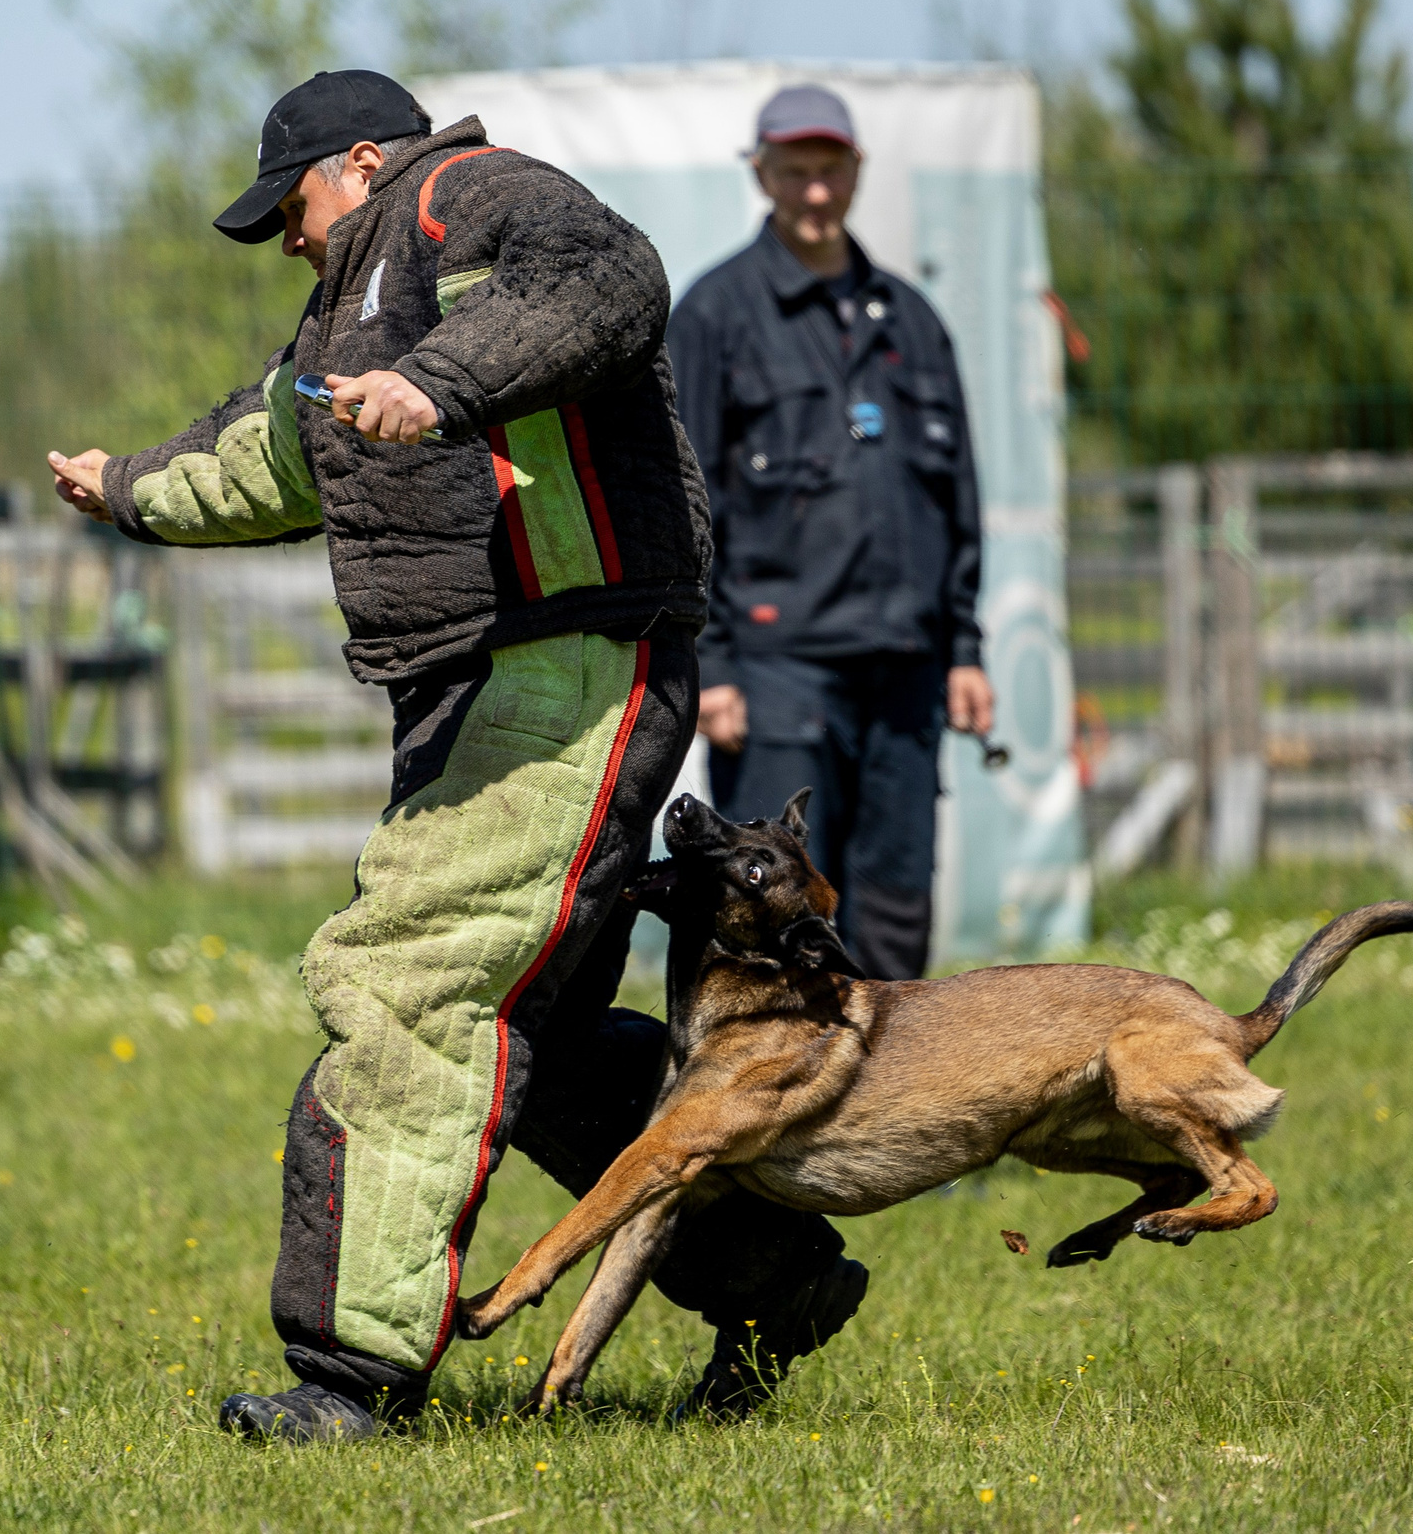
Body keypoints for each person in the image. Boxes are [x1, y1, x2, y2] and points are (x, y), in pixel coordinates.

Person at [49, 70, 867, 1443]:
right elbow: (278, 450)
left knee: (410, 983)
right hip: (480, 681)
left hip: (568, 658)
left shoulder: (465, 198)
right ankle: (773, 1272)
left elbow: (606, 280)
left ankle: (353, 1375)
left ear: (364, 162)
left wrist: (437, 382)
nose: (285, 237)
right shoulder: (349, 307)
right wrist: (125, 487)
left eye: (292, 205)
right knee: (539, 1035)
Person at [668, 84, 995, 982]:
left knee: (893, 906)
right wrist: (712, 664)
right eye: (795, 172)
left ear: (857, 172)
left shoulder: (912, 321)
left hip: (905, 668)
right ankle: (769, 1078)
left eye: (831, 171)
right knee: (770, 916)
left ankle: (888, 1075)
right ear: (761, 174)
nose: (815, 192)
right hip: (777, 669)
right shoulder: (716, 315)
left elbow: (956, 498)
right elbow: (686, 504)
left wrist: (965, 649)